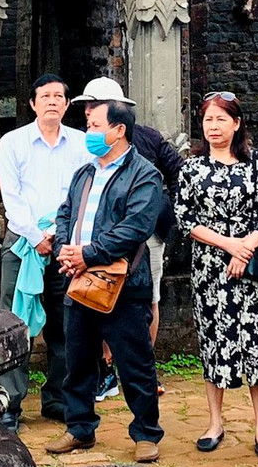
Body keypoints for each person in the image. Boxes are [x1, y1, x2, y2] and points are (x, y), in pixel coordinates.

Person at [46, 98, 169, 463]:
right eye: (89, 126)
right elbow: (65, 214)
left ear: (119, 131)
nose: (90, 132)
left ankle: (146, 433)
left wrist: (89, 253)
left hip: (124, 284)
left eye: (97, 126)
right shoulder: (84, 173)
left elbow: (135, 228)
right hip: (80, 280)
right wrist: (66, 251)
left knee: (135, 361)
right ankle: (79, 427)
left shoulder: (145, 174)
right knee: (78, 360)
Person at [175, 91, 258, 456]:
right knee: (213, 341)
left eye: (221, 119)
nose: (214, 127)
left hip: (252, 269)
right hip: (210, 268)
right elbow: (186, 218)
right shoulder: (192, 168)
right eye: (208, 120)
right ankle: (215, 421)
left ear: (236, 123)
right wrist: (228, 245)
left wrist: (245, 247)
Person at [73, 77, 181, 400]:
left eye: (96, 106)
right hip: (96, 240)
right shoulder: (88, 143)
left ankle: (142, 366)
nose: (89, 113)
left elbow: (179, 172)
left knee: (147, 301)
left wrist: (163, 210)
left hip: (143, 237)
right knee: (96, 298)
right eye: (87, 108)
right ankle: (106, 366)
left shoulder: (147, 139)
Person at [0, 74, 92, 427]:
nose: (52, 101)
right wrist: (37, 236)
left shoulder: (82, 144)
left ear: (67, 105)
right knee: (15, 324)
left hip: (67, 247)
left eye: (58, 96)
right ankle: (10, 405)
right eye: (44, 96)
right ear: (33, 103)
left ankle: (58, 399)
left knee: (67, 324)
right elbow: (12, 196)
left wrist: (59, 236)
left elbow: (83, 193)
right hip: (22, 245)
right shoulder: (13, 143)